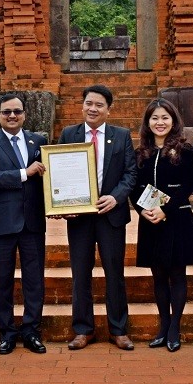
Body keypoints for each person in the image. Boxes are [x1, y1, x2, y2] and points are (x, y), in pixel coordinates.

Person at [58, 84, 138, 351]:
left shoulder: (121, 135)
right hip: (79, 217)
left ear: (108, 109)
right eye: (89, 103)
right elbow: (58, 172)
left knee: (114, 272)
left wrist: (115, 197)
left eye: (99, 105)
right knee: (80, 273)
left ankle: (118, 329)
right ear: (82, 105)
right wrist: (62, 205)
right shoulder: (69, 134)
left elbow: (130, 174)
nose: (93, 109)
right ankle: (83, 330)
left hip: (110, 215)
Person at [0, 94, 48, 355]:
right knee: (2, 281)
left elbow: (49, 178)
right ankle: (6, 333)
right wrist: (23, 173)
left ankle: (31, 331)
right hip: (4, 223)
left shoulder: (38, 141)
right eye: (6, 112)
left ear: (24, 114)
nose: (12, 116)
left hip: (32, 222)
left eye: (17, 111)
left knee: (34, 281)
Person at [129, 99, 193, 352]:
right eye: (155, 118)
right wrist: (143, 210)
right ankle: (163, 325)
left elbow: (189, 185)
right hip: (150, 221)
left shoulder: (185, 150)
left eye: (165, 118)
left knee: (177, 275)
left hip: (177, 220)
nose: (160, 123)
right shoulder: (141, 154)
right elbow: (134, 187)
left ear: (174, 121)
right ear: (148, 123)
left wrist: (164, 209)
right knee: (158, 275)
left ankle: (174, 328)